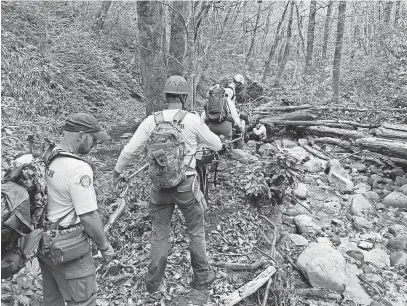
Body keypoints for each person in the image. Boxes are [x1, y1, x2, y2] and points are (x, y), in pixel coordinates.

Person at [112, 75, 222, 294]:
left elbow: (129, 150)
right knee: (196, 233)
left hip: (159, 188)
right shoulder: (191, 120)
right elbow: (217, 145)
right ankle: (201, 277)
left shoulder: (151, 121)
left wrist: (117, 172)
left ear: (166, 95)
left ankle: (152, 284)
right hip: (186, 186)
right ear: (183, 96)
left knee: (159, 233)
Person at [38, 113, 114, 306]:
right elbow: (88, 216)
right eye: (93, 139)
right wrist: (105, 247)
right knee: (84, 301)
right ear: (81, 135)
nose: (95, 145)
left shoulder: (49, 155)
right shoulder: (78, 169)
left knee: (52, 299)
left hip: (45, 245)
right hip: (69, 250)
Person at [201, 74, 245, 143]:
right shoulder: (228, 100)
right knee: (227, 142)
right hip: (225, 127)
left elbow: (203, 117)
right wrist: (241, 128)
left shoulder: (210, 102)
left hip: (211, 126)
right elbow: (235, 116)